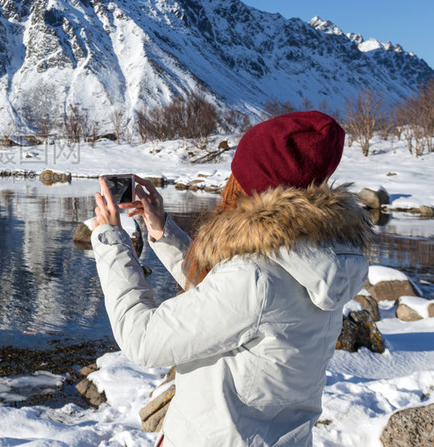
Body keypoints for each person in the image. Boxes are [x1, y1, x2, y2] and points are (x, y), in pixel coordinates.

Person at [90, 111, 371, 447]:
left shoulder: (255, 277)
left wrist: (111, 240)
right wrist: (162, 231)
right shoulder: (317, 260)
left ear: (253, 184)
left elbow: (142, 340)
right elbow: (226, 299)